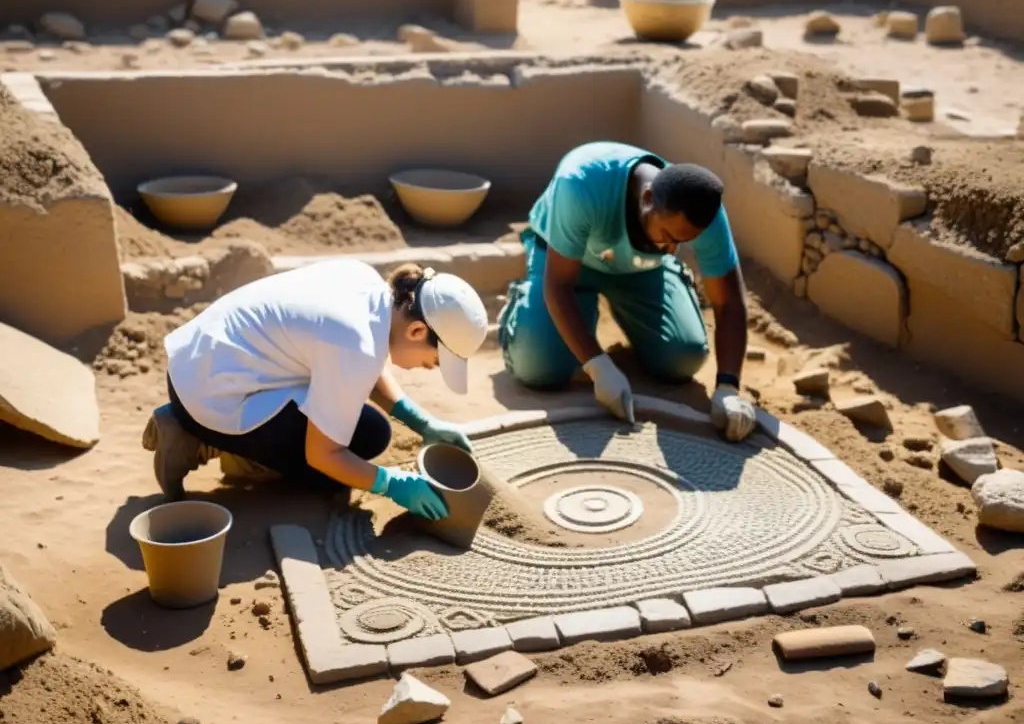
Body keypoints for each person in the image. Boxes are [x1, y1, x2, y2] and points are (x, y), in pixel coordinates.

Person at [141, 259, 489, 520]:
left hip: (202, 364)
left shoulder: (367, 284)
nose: (430, 369)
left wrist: (421, 421)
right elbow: (322, 455)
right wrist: (392, 484)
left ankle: (226, 442)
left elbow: (363, 366)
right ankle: (195, 438)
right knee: (333, 473)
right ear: (415, 332)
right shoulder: (355, 343)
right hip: (206, 395)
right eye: (435, 361)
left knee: (370, 431)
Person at [498, 141, 757, 442]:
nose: (672, 248)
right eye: (668, 236)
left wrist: (728, 386)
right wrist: (598, 366)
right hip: (569, 264)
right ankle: (523, 309)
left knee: (682, 359)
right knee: (538, 368)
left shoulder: (700, 208)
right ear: (647, 199)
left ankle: (631, 331)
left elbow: (728, 303)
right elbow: (558, 287)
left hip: (639, 269)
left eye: (681, 242)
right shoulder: (581, 184)